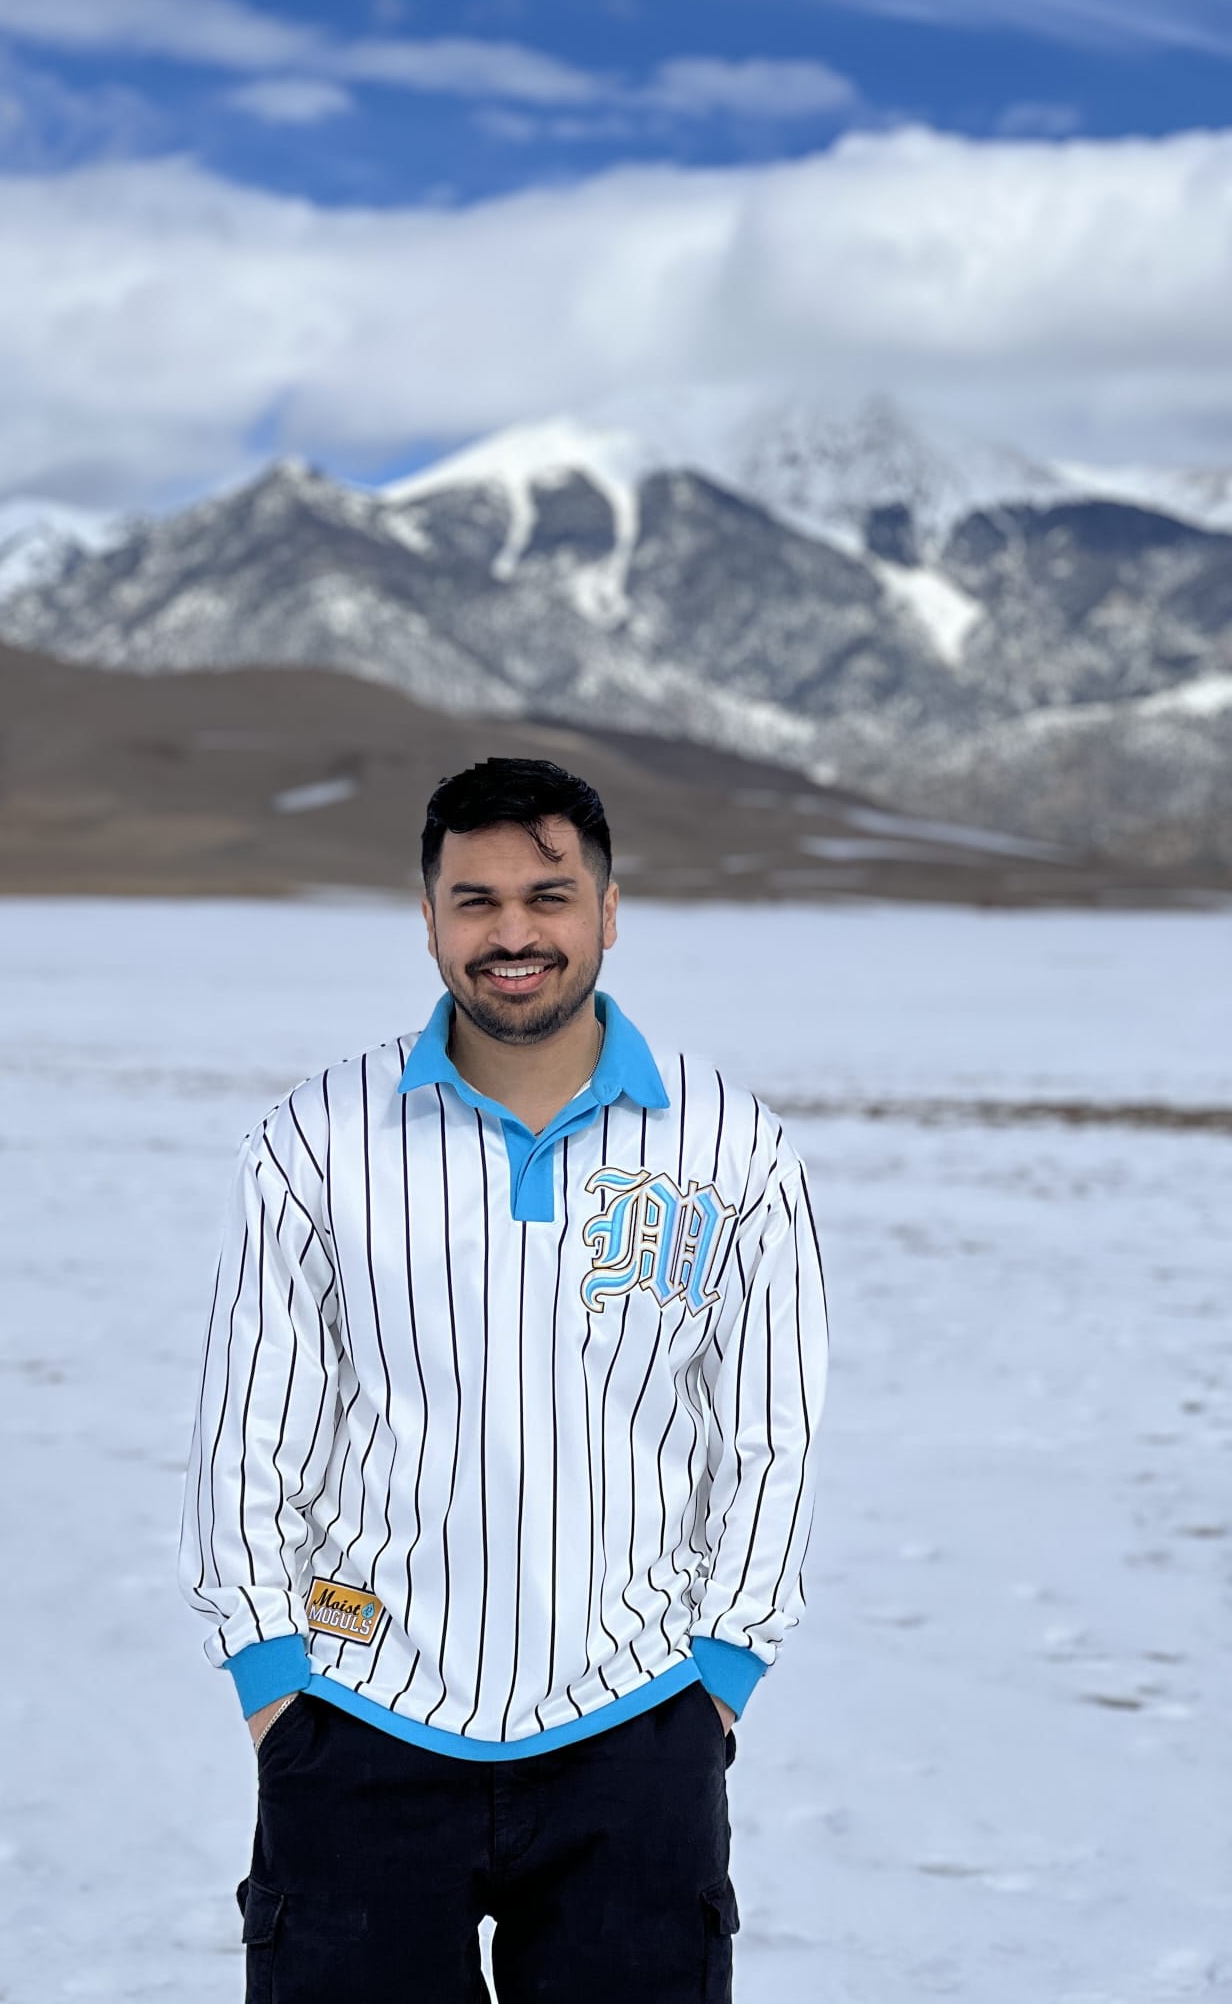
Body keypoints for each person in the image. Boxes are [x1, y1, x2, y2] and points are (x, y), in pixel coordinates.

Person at [178, 756, 830, 2003]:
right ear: (428, 918)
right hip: (360, 1722)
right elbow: (246, 1438)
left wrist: (721, 1678)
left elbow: (771, 1437)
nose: (513, 933)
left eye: (549, 896)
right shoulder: (317, 1142)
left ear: (608, 912)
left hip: (635, 1727)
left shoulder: (733, 1150)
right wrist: (273, 1686)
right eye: (475, 901)